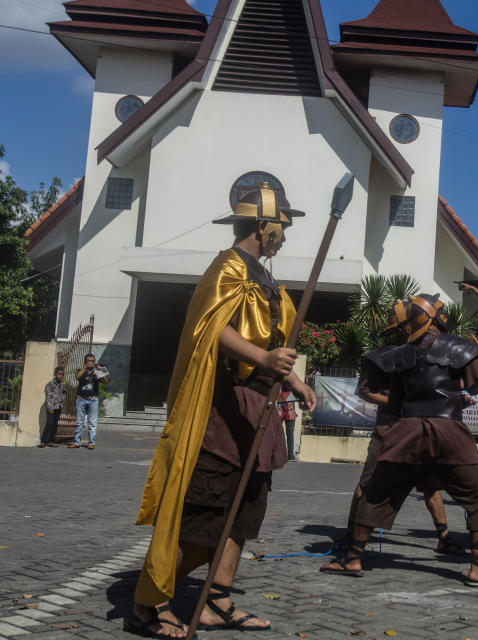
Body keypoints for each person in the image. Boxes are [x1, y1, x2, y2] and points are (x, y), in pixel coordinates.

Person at [126, 183, 316, 638]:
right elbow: (209, 330)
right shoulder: (228, 267)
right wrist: (264, 359)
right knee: (206, 512)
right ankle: (148, 605)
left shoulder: (267, 278)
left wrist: (289, 377)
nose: (285, 236)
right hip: (224, 407)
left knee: (246, 511)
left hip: (260, 411)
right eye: (281, 227)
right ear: (263, 226)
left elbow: (272, 344)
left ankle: (217, 599)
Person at [322, 293, 478, 587]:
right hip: (447, 433)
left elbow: (394, 402)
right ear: (437, 317)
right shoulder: (459, 347)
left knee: (376, 492)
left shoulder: (399, 356)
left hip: (406, 431)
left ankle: (353, 556)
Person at [344, 299, 464, 555]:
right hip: (389, 428)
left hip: (418, 428)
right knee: (368, 483)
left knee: (430, 485)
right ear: (401, 328)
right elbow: (364, 391)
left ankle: (444, 537)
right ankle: (350, 535)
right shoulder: (379, 357)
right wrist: (399, 402)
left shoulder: (423, 352)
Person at [70, 353, 106, 449]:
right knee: (79, 421)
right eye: (89, 361)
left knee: (92, 422)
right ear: (85, 362)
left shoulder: (97, 371)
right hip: (81, 398)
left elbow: (105, 381)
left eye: (92, 361)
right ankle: (77, 442)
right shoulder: (81, 371)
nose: (91, 363)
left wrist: (100, 370)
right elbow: (77, 377)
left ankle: (91, 442)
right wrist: (85, 367)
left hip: (93, 399)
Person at [40, 366, 65, 447]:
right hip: (51, 407)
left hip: (58, 407)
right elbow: (48, 397)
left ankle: (51, 441)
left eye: (62, 374)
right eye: (59, 374)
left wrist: (62, 398)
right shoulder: (50, 384)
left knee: (55, 424)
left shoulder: (62, 385)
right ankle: (43, 441)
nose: (61, 376)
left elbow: (64, 393)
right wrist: (50, 408)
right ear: (55, 374)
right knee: (49, 423)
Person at [278, 388, 298, 461]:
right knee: (277, 433)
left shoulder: (292, 385)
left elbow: (297, 395)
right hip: (279, 411)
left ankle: (290, 455)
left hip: (290, 411)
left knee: (290, 433)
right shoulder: (277, 384)